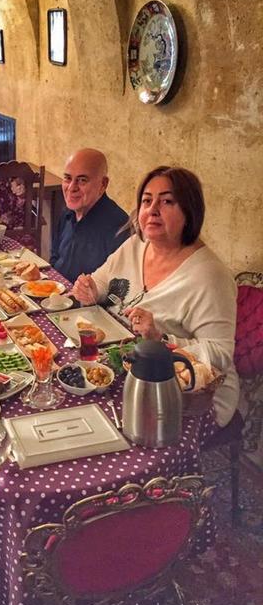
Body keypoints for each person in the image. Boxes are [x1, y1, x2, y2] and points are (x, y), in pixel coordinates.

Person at [71, 166, 239, 427]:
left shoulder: (210, 276)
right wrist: (90, 289)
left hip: (185, 397)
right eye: (147, 201)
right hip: (125, 367)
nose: (153, 209)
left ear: (190, 211)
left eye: (167, 201)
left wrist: (161, 338)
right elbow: (102, 280)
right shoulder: (137, 244)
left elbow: (219, 354)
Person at [50, 148, 130, 282]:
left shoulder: (120, 227)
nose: (71, 188)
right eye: (67, 178)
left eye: (82, 180)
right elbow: (54, 257)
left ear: (103, 184)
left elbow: (118, 290)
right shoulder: (67, 213)